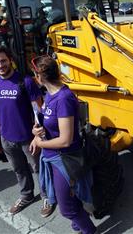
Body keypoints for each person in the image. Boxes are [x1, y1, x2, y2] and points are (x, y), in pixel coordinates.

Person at [0, 44, 55, 217]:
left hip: (28, 138)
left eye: (3, 61)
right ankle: (27, 195)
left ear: (10, 60)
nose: (0, 65)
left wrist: (37, 137)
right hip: (7, 139)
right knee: (19, 170)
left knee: (39, 169)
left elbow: (39, 110)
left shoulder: (25, 82)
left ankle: (48, 197)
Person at [31, 56, 96, 234]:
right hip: (54, 156)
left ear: (39, 76)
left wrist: (40, 142)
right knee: (70, 200)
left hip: (65, 159)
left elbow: (65, 139)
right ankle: (80, 223)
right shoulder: (48, 95)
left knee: (67, 209)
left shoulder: (64, 98)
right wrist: (36, 132)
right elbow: (46, 121)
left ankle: (90, 230)